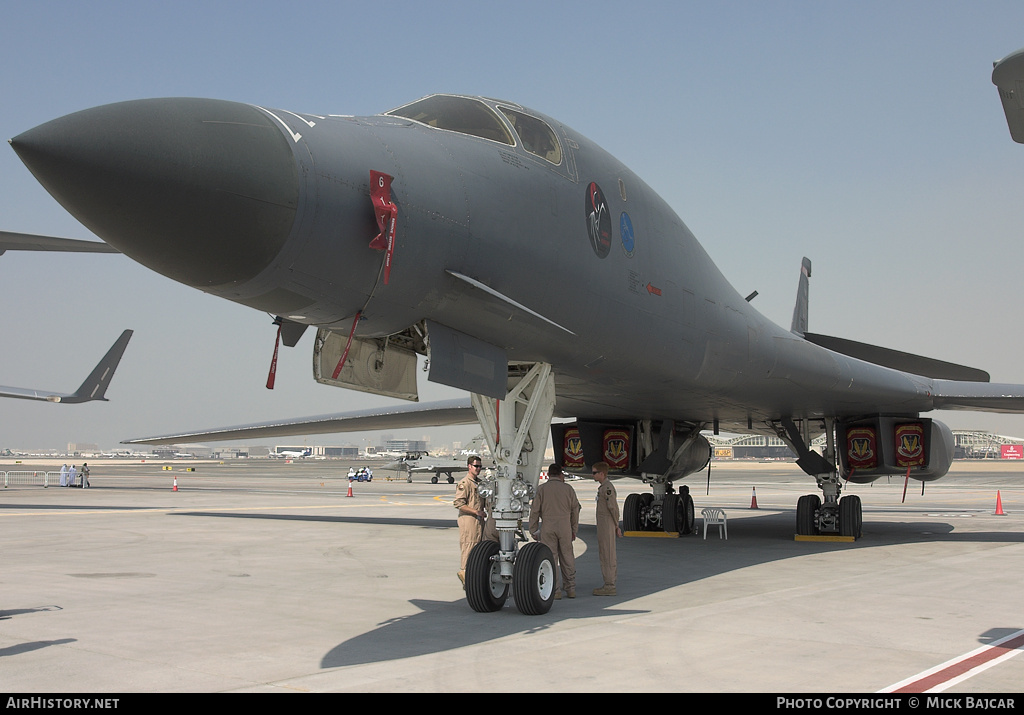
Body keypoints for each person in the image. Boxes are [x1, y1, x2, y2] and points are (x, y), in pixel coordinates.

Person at [528, 463, 580, 599]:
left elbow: (534, 511)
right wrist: (574, 528)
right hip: (565, 526)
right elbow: (575, 509)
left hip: (548, 526)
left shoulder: (542, 489)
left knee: (551, 558)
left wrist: (533, 529)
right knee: (567, 557)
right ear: (560, 474)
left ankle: (555, 590)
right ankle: (571, 588)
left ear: (549, 474)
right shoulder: (568, 489)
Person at [454, 455, 487, 585]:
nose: (478, 469)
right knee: (468, 546)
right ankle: (465, 574)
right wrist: (475, 511)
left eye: (480, 466)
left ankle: (473, 577)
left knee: (478, 547)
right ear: (469, 466)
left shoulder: (479, 483)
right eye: (476, 466)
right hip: (469, 520)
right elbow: (459, 504)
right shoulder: (465, 483)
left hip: (479, 521)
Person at [590, 461, 622, 596]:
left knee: (607, 554)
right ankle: (609, 583)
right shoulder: (603, 487)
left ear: (601, 474)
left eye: (594, 473)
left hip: (607, 524)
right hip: (604, 524)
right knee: (605, 552)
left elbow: (613, 508)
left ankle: (609, 585)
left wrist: (616, 525)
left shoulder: (607, 488)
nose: (593, 476)